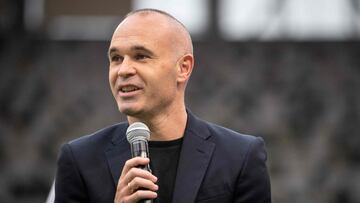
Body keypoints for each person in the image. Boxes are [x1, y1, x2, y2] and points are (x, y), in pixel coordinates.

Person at [55, 8, 272, 203]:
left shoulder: (240, 157)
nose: (123, 70)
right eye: (116, 58)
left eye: (140, 56)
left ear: (183, 68)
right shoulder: (80, 161)